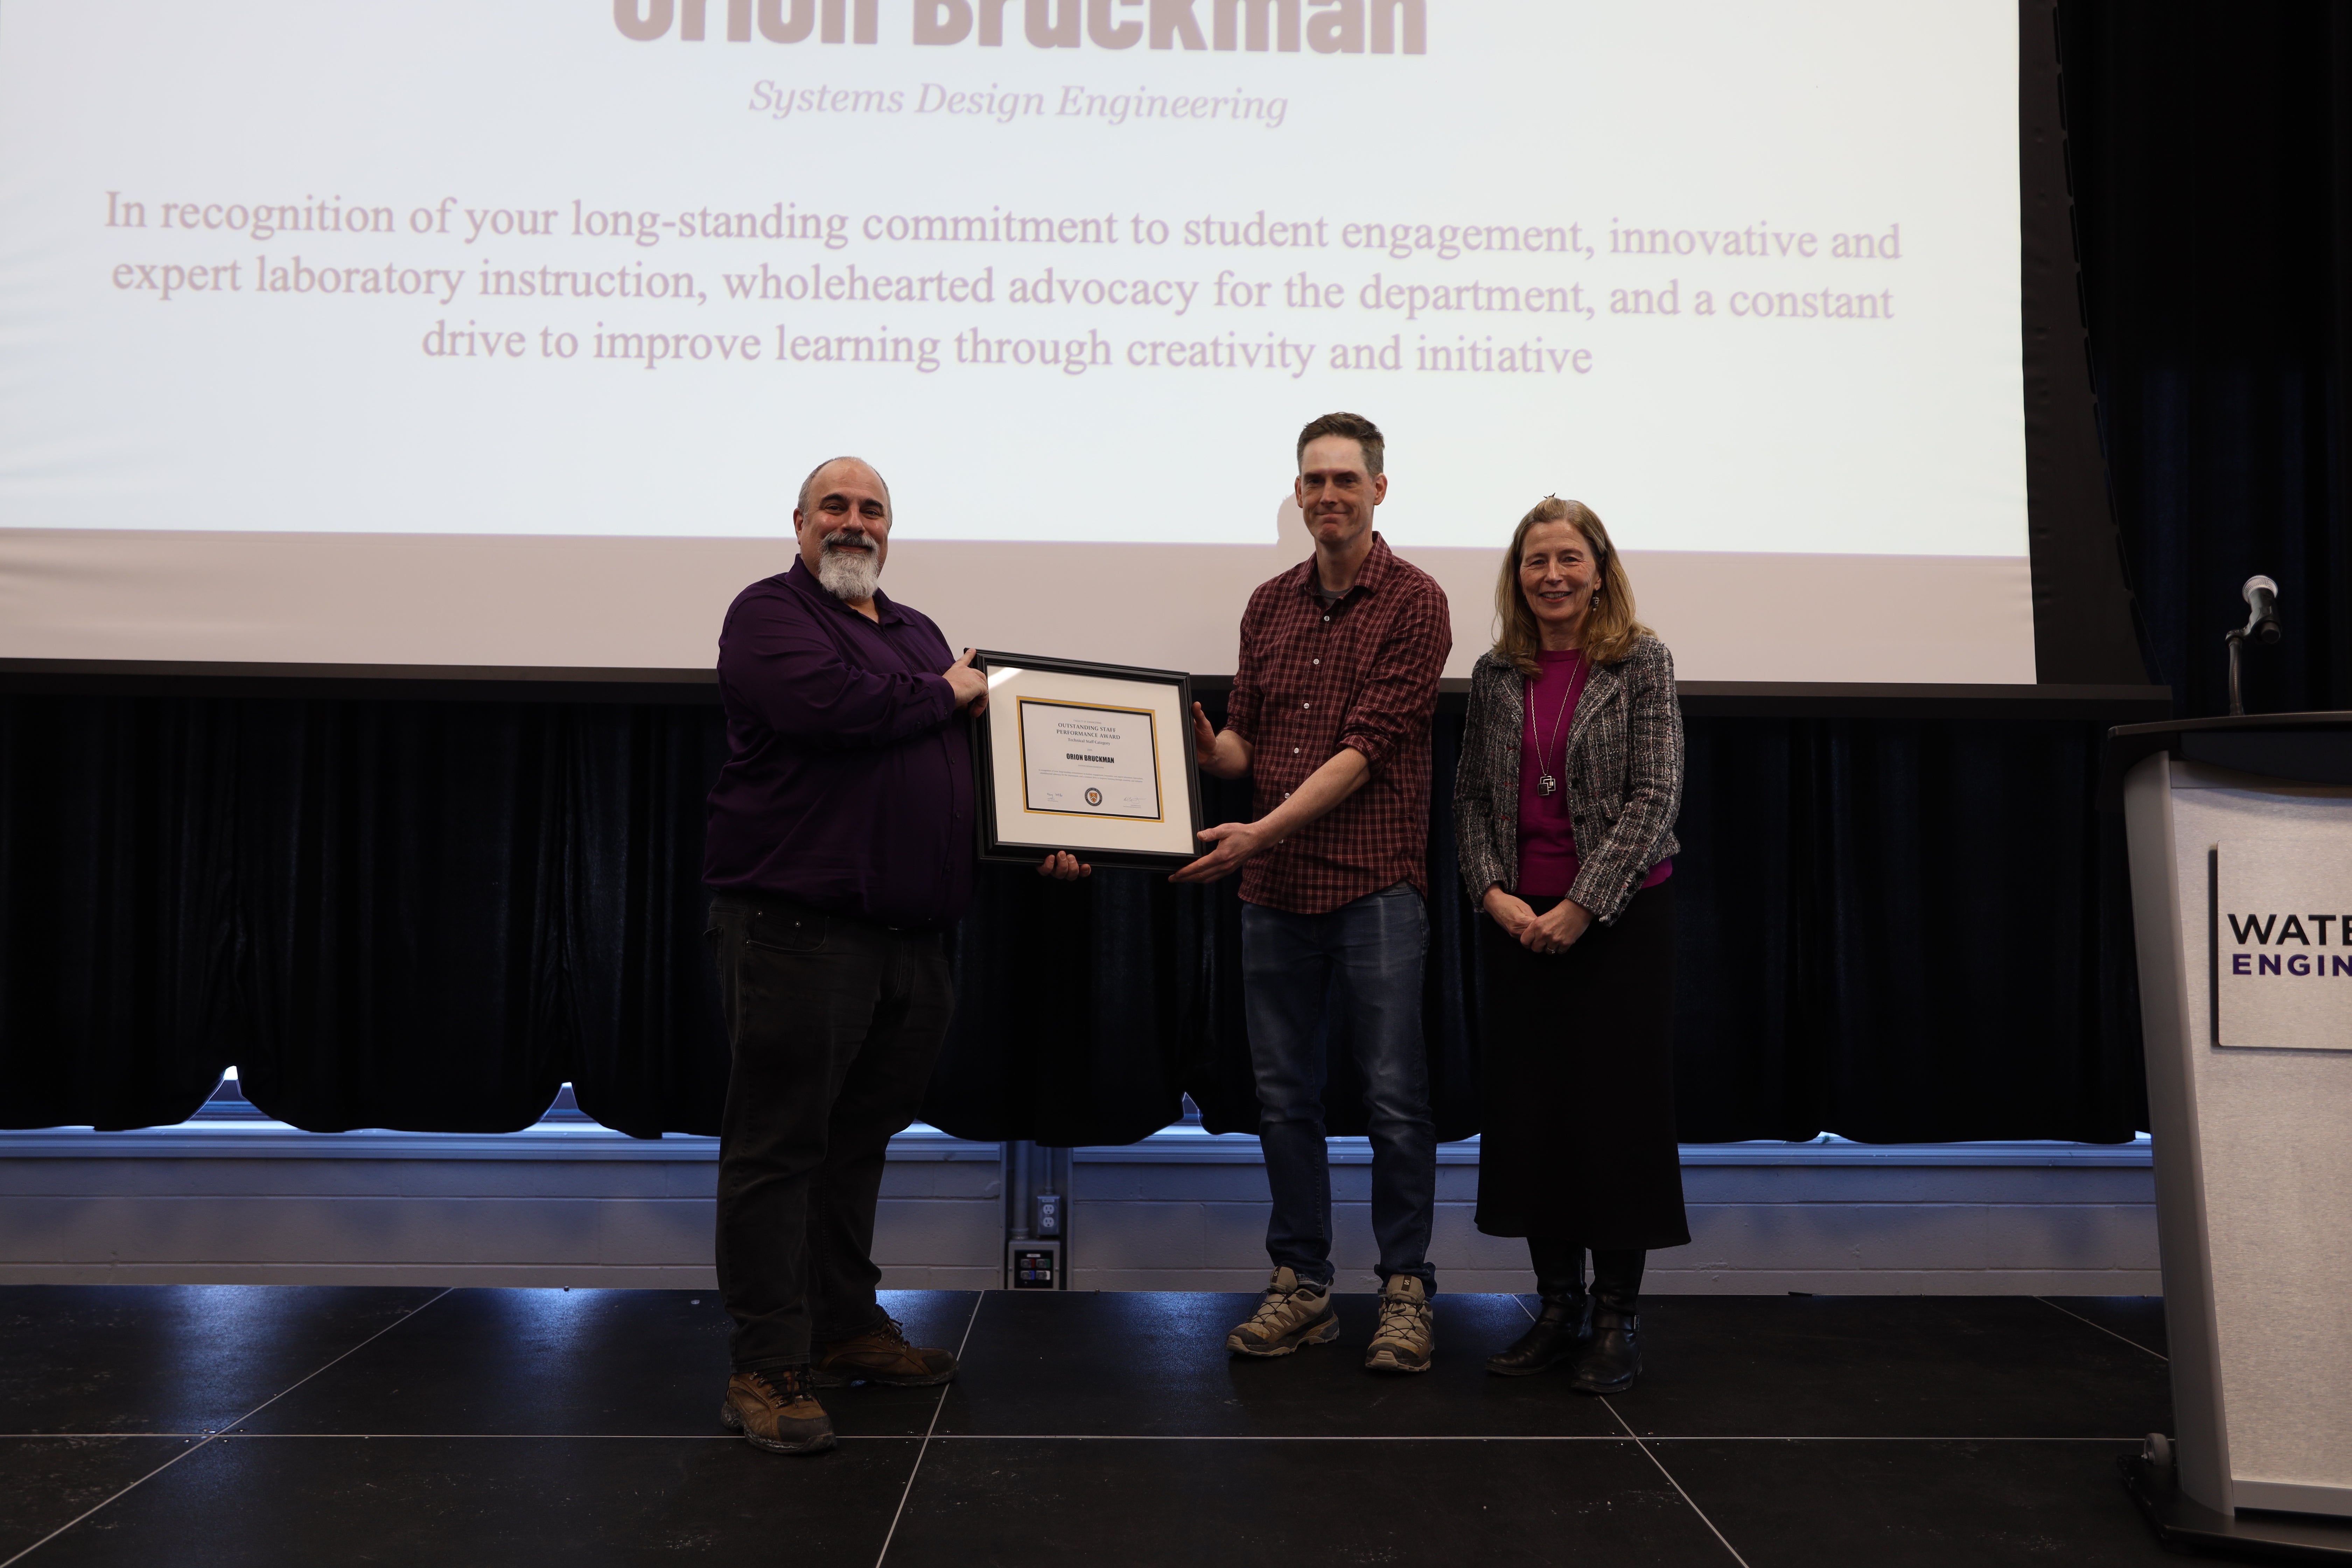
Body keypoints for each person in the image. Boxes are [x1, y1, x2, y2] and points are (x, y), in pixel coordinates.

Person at [703, 455, 1087, 1456]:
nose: (854, 521)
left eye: (873, 509)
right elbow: (837, 713)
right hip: (798, 929)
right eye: (835, 505)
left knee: (855, 1146)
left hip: (914, 941)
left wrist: (1033, 827)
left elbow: (961, 767)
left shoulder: (915, 633)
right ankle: (764, 1364)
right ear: (798, 523)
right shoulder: (769, 618)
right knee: (778, 1148)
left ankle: (842, 1330)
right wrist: (951, 687)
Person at [1174, 412, 1452, 1373]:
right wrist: (1210, 751)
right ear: (1297, 495)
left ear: (1380, 489)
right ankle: (1303, 1286)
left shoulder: (1416, 602)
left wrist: (1258, 827)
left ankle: (1406, 1290)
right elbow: (1248, 747)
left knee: (1393, 1101)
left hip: (1376, 886)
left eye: (1345, 480)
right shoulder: (1268, 605)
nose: (1328, 496)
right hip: (1274, 894)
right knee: (1284, 1101)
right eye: (1313, 481)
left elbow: (1363, 755)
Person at [1451, 496, 1687, 1393]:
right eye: (1535, 560)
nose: (1552, 575)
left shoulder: (1642, 661)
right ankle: (1556, 1307)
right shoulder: (1496, 671)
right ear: (1519, 574)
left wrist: (1582, 906)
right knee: (1534, 1115)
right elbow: (1473, 798)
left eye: (1568, 559)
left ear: (1600, 569)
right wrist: (1494, 894)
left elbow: (1655, 797)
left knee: (1614, 1116)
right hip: (1519, 922)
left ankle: (1617, 1317)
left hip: (1620, 924)